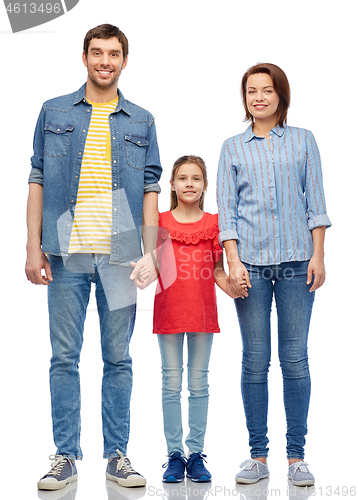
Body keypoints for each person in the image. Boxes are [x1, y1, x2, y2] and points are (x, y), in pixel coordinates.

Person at [25, 24, 162, 490]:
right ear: (84, 57)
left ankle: (117, 455)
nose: (106, 61)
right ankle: (64, 456)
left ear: (125, 61)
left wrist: (151, 253)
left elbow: (149, 188)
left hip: (120, 255)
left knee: (118, 358)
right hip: (65, 252)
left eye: (114, 54)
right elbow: (38, 178)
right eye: (98, 53)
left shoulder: (141, 120)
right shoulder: (54, 110)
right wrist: (32, 246)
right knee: (64, 357)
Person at [217, 63, 331, 487]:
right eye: (251, 91)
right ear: (244, 98)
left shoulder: (303, 141)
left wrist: (319, 255)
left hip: (298, 263)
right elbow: (226, 210)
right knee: (254, 359)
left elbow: (315, 201)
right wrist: (233, 261)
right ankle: (258, 455)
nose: (259, 97)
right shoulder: (232, 147)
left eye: (267, 90)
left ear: (281, 96)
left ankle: (297, 455)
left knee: (295, 359)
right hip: (250, 268)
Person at [133, 155, 245, 483]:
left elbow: (217, 272)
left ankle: (196, 453)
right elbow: (152, 265)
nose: (189, 184)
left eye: (196, 179)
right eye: (183, 178)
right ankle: (174, 455)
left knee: (199, 385)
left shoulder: (214, 223)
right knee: (171, 383)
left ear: (205, 185)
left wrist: (235, 288)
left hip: (202, 314)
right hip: (169, 312)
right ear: (172, 184)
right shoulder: (162, 221)